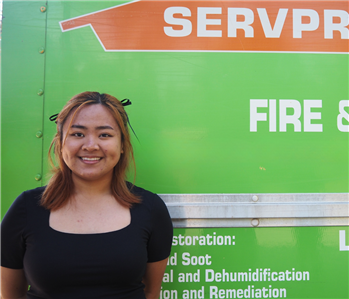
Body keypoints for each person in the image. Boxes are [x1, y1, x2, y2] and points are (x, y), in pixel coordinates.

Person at [0, 92, 173, 299]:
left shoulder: (151, 209)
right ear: (61, 143)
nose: (91, 145)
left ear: (122, 146)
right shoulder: (26, 208)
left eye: (105, 135)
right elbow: (10, 294)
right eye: (78, 134)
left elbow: (151, 292)